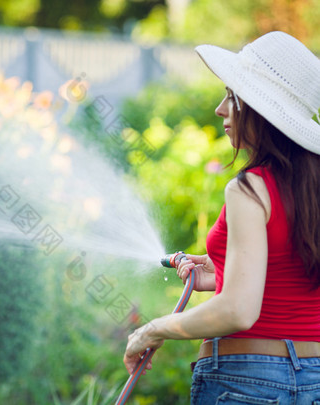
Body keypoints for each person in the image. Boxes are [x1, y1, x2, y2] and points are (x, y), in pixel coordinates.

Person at [123, 31, 320, 404]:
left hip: (244, 383)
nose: (220, 109)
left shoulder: (249, 188)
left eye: (232, 96)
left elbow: (238, 311)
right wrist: (222, 275)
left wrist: (151, 330)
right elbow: (291, 275)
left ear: (258, 109)